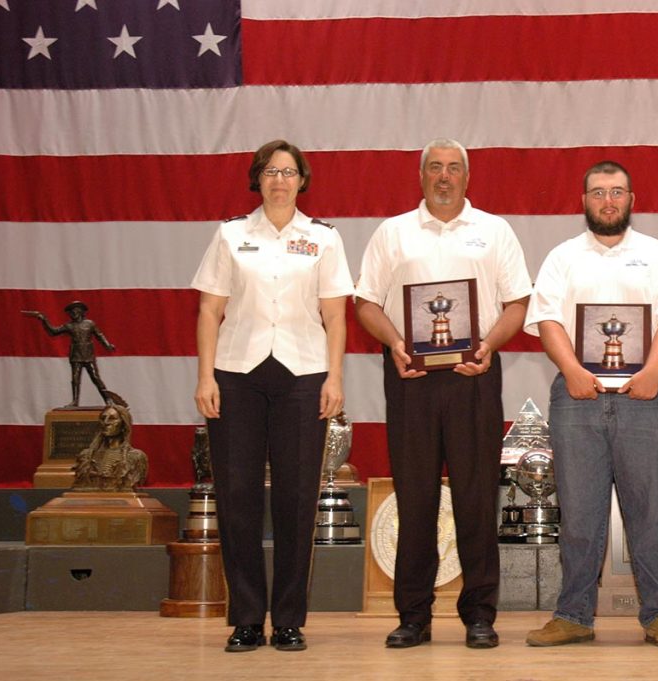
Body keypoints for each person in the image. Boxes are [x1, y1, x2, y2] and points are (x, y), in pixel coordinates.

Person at [355, 138, 531, 649]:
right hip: (412, 379)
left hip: (473, 375)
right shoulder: (393, 233)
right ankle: (413, 615)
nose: (445, 177)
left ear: (467, 177)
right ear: (422, 176)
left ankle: (479, 613)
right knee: (416, 499)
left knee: (476, 496)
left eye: (454, 168)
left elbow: (518, 302)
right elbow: (365, 302)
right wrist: (393, 343)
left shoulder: (494, 231)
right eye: (435, 168)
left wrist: (489, 345)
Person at [191, 139, 353, 653]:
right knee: (237, 496)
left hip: (304, 376)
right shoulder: (231, 235)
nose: (279, 181)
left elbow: (335, 316)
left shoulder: (324, 238)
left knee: (296, 498)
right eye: (269, 172)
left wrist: (335, 378)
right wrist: (205, 377)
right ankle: (244, 618)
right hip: (236, 374)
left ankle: (287, 619)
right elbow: (209, 311)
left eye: (288, 172)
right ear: (257, 179)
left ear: (302, 180)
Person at [524, 161, 658, 649]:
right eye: (598, 192)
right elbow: (548, 321)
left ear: (632, 199)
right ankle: (573, 614)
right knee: (577, 515)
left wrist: (654, 371)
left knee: (651, 514)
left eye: (617, 192)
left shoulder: (657, 254)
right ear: (584, 201)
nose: (608, 200)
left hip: (644, 397)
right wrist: (574, 371)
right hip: (578, 398)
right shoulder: (562, 257)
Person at [23, 301, 116, 406]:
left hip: (88, 355)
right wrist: (44, 320)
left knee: (95, 377)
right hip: (75, 355)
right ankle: (75, 401)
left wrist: (107, 345)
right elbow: (53, 331)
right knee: (75, 379)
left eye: (75, 311)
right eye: (71, 312)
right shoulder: (69, 325)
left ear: (81, 311)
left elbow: (100, 335)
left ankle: (108, 399)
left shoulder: (90, 323)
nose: (73, 313)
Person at [72, 403, 147, 492]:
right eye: (103, 418)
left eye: (112, 418)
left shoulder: (135, 457)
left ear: (123, 424)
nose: (106, 422)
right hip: (89, 502)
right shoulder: (86, 456)